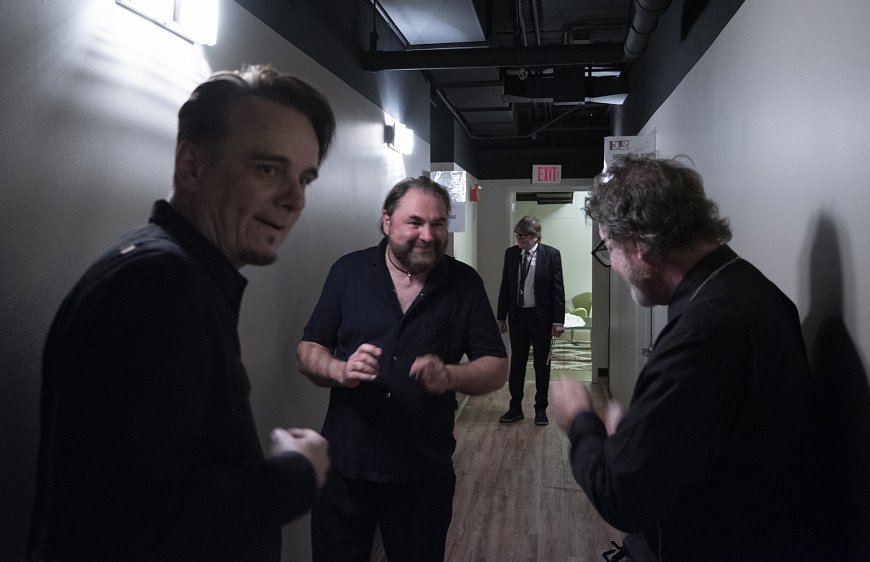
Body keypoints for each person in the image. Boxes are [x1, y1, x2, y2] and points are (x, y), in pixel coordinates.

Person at [28, 64, 335, 561]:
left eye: (304, 178)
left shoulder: (171, 273)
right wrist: (294, 473)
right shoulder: (160, 284)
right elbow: (142, 519)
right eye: (268, 169)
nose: (294, 199)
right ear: (192, 166)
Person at [550, 155, 832, 560]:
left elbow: (622, 497)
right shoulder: (752, 288)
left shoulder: (702, 334)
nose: (612, 265)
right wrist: (639, 436)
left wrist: (580, 419)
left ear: (638, 244)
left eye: (608, 248)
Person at [297, 176, 507, 562]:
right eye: (415, 222)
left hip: (423, 470)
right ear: (386, 222)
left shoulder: (464, 283)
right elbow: (309, 349)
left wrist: (451, 375)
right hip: (345, 465)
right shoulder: (348, 272)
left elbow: (496, 367)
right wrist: (339, 370)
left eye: (438, 223)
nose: (427, 235)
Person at [497, 216, 566, 426]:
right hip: (518, 317)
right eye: (517, 235)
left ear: (536, 236)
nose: (520, 239)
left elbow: (558, 290)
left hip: (541, 318)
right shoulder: (511, 254)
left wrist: (558, 321)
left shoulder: (551, 255)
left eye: (524, 235)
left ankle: (541, 409)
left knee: (542, 365)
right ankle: (515, 408)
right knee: (517, 364)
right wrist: (501, 316)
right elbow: (505, 286)